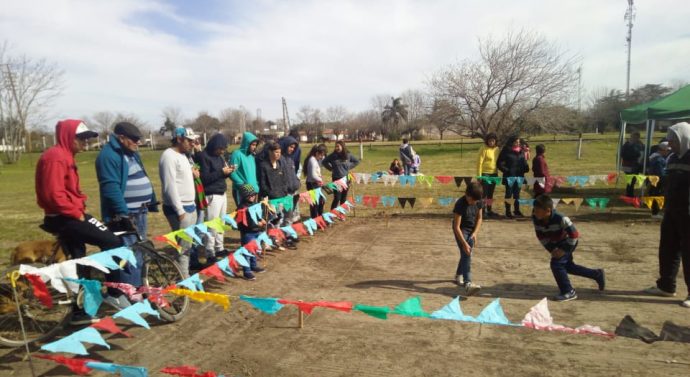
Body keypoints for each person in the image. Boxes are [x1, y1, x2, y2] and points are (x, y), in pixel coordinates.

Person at [36, 119, 123, 323]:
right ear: (68, 137)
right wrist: (76, 213)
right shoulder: (56, 157)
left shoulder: (65, 156)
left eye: (87, 139)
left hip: (66, 215)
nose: (85, 142)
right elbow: (53, 194)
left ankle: (80, 311)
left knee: (78, 260)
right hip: (65, 217)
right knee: (113, 242)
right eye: (81, 138)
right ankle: (114, 294)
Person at [95, 121, 158, 309]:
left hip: (140, 211)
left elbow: (141, 175)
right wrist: (123, 213)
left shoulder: (131, 153)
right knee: (127, 255)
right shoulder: (108, 156)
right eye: (135, 139)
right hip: (124, 215)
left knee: (138, 252)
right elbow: (110, 187)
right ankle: (126, 294)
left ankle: (137, 289)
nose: (138, 143)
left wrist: (151, 199)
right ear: (121, 138)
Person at [644, 122, 690, 308]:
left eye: (673, 139)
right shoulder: (671, 158)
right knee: (667, 249)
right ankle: (666, 286)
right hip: (671, 211)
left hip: (688, 212)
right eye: (669, 139)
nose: (670, 143)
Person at [532, 195, 605, 302]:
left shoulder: (561, 218)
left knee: (556, 265)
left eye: (537, 211)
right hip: (556, 244)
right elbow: (540, 236)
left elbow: (574, 235)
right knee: (568, 267)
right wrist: (552, 250)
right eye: (534, 210)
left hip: (569, 242)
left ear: (548, 210)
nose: (534, 212)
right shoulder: (536, 218)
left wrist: (563, 250)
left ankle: (568, 291)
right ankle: (597, 274)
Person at [159, 127, 199, 277]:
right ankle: (184, 279)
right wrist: (180, 211)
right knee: (183, 246)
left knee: (188, 245)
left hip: (190, 206)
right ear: (179, 139)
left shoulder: (183, 155)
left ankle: (184, 273)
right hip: (179, 209)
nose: (193, 143)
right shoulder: (168, 157)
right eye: (189, 140)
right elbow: (170, 186)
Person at [194, 133, 235, 263]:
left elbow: (221, 175)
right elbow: (205, 179)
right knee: (212, 224)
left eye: (224, 149)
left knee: (221, 223)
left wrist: (228, 172)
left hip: (222, 193)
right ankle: (210, 252)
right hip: (211, 195)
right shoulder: (204, 157)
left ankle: (219, 247)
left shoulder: (220, 157)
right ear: (214, 146)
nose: (222, 151)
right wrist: (221, 172)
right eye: (220, 149)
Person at [257, 142, 300, 247]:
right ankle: (266, 241)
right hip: (270, 198)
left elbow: (284, 180)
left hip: (282, 197)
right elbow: (262, 183)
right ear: (270, 152)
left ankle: (276, 238)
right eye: (276, 152)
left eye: (279, 152)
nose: (278, 154)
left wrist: (284, 191)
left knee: (279, 220)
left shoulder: (280, 164)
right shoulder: (263, 165)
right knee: (271, 221)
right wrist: (270, 193)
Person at [452, 182, 484, 296]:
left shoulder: (479, 201)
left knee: (465, 254)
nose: (474, 203)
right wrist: (464, 242)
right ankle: (468, 283)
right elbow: (456, 227)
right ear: (467, 195)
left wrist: (475, 233)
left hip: (471, 230)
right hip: (461, 230)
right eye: (472, 201)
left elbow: (480, 218)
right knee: (467, 253)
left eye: (476, 201)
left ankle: (458, 275)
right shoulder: (460, 204)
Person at [236, 184, 267, 280]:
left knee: (254, 250)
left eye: (254, 194)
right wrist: (257, 224)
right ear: (244, 196)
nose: (253, 196)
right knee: (247, 252)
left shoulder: (254, 204)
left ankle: (253, 265)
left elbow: (257, 215)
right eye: (250, 195)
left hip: (256, 231)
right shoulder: (242, 208)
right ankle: (247, 271)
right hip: (248, 233)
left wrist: (261, 219)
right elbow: (247, 222)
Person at [497, 136, 529, 218]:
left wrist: (526, 167)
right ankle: (508, 211)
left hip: (519, 176)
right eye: (516, 142)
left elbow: (523, 161)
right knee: (509, 194)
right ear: (511, 142)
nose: (518, 143)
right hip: (509, 176)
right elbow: (499, 163)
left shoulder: (521, 151)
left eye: (519, 142)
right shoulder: (506, 151)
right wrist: (507, 170)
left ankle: (517, 211)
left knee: (517, 194)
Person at [323, 140, 360, 210]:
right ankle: (332, 214)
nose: (336, 148)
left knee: (343, 198)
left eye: (338, 146)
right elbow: (324, 161)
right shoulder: (333, 155)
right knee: (337, 198)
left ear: (342, 146)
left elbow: (356, 161)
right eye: (335, 146)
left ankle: (341, 214)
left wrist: (349, 166)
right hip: (336, 179)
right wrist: (330, 168)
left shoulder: (348, 155)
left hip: (346, 179)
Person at [229, 131, 260, 206]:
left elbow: (252, 174)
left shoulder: (251, 156)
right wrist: (243, 185)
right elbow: (232, 172)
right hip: (242, 191)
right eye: (252, 145)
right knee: (243, 215)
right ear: (247, 143)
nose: (254, 147)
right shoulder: (237, 154)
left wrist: (256, 187)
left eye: (255, 145)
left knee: (252, 215)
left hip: (253, 191)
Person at [278, 135, 301, 224]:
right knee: (280, 217)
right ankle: (278, 236)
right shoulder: (279, 159)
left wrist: (297, 182)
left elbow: (293, 174)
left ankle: (287, 234)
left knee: (289, 216)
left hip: (292, 192)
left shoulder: (290, 159)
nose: (292, 149)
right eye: (290, 147)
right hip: (284, 193)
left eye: (293, 148)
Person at [476, 133, 500, 217]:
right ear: (487, 141)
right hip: (485, 174)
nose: (491, 142)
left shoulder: (497, 149)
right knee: (484, 194)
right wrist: (479, 176)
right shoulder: (483, 149)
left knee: (491, 193)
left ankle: (489, 210)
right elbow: (479, 162)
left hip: (494, 174)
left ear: (495, 141)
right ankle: (482, 211)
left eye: (493, 141)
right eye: (490, 141)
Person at [646, 141, 670, 218]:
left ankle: (655, 212)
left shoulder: (656, 158)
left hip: (655, 180)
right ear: (662, 150)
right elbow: (660, 172)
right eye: (667, 150)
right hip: (658, 180)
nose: (668, 152)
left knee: (655, 195)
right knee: (657, 195)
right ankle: (655, 213)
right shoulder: (658, 159)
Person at [304, 144, 328, 218]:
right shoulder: (312, 161)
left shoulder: (314, 159)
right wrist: (320, 180)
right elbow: (313, 175)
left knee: (321, 201)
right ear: (317, 153)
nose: (322, 157)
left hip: (316, 184)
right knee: (315, 203)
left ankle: (320, 218)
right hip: (312, 184)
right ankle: (315, 219)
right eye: (321, 155)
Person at [621, 132, 645, 197]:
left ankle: (630, 193)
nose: (635, 138)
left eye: (637, 137)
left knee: (633, 180)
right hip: (628, 165)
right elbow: (623, 154)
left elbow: (643, 150)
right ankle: (629, 194)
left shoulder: (640, 144)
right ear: (631, 137)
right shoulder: (627, 145)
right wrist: (636, 155)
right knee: (630, 180)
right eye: (634, 137)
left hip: (636, 165)